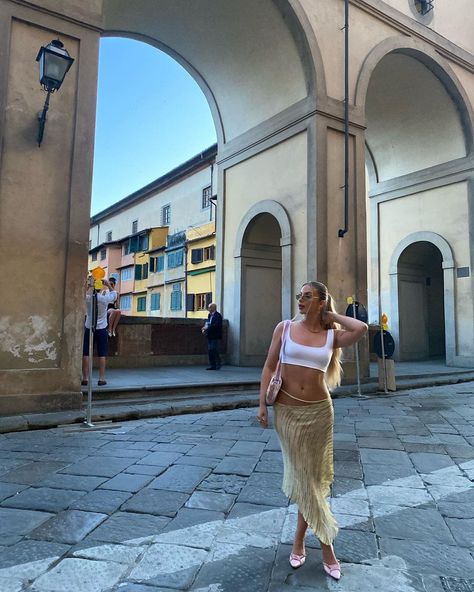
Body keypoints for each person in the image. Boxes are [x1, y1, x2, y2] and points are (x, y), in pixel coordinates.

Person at [257, 281, 367, 581]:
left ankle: (298, 542)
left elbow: (361, 328)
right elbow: (268, 367)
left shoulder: (332, 335)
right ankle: (328, 547)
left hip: (320, 413)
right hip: (288, 413)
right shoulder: (284, 328)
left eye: (307, 297)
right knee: (305, 478)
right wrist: (262, 405)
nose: (300, 301)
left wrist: (333, 317)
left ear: (320, 301)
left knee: (312, 481)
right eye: (299, 296)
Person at [81, 277, 117, 386]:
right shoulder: (104, 298)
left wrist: (89, 285)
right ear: (100, 288)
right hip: (101, 328)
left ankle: (85, 378)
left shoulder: (87, 298)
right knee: (102, 354)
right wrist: (108, 284)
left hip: (88, 327)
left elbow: (81, 294)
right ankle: (101, 378)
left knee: (86, 353)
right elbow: (115, 294)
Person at [202, 302, 223, 370]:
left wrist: (207, 328)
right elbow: (208, 323)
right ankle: (213, 365)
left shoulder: (218, 316)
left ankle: (218, 363)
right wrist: (204, 328)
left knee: (213, 349)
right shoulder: (209, 315)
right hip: (210, 335)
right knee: (210, 350)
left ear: (213, 308)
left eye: (209, 307)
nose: (208, 309)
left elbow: (216, 325)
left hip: (215, 335)